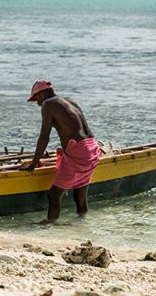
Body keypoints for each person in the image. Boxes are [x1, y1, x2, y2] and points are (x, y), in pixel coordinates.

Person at [20, 80, 100, 223]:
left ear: (43, 93)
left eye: (36, 98)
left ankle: (50, 224)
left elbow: (44, 137)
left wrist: (33, 164)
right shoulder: (69, 101)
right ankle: (82, 223)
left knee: (54, 195)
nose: (37, 103)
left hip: (78, 152)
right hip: (92, 148)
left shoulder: (48, 104)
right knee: (79, 194)